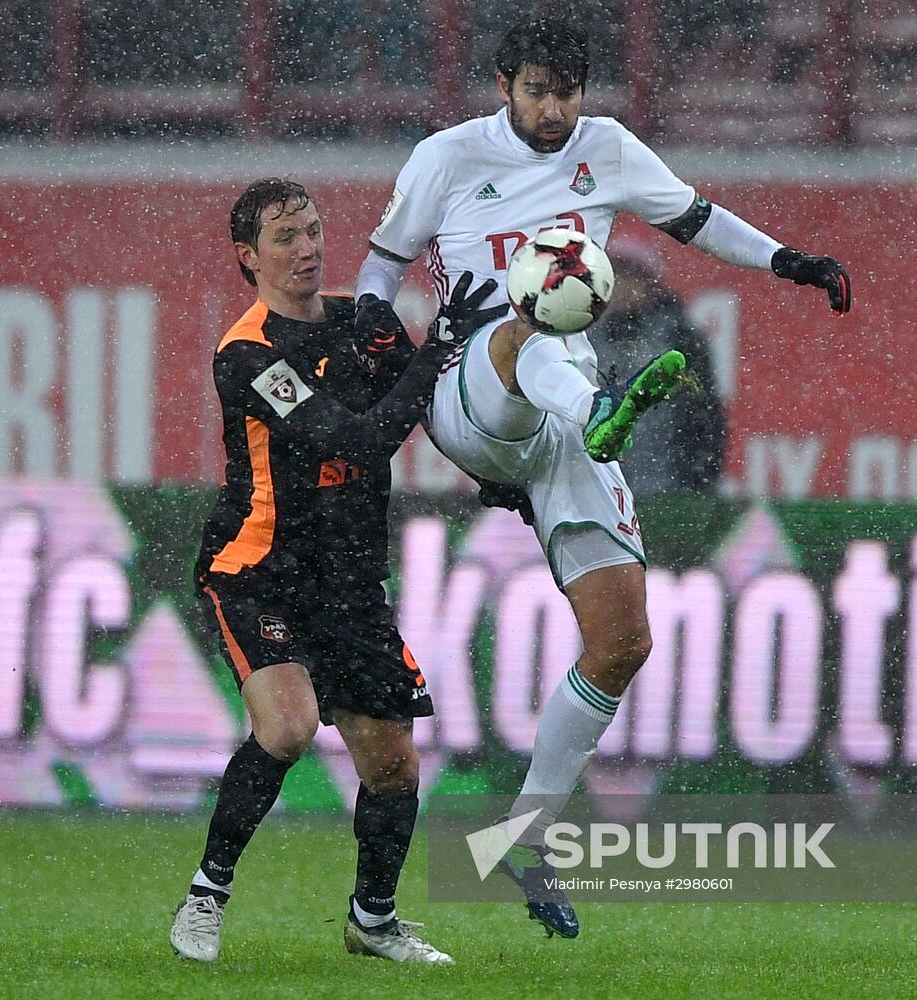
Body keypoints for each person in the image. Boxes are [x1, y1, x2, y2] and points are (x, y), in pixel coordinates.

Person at [354, 16, 850, 939]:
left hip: (566, 415)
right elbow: (378, 273)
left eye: (568, 92)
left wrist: (789, 260)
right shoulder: (447, 158)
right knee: (532, 319)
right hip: (471, 387)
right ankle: (600, 412)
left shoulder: (608, 150)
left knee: (622, 641)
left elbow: (695, 219)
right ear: (504, 84)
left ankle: (524, 836)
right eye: (537, 91)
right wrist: (381, 352)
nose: (554, 110)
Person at [169, 178, 500, 966]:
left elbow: (433, 408)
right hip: (259, 570)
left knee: (393, 763)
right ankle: (207, 894)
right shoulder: (246, 352)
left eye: (313, 230)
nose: (307, 247)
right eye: (285, 238)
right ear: (249, 257)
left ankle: (373, 921)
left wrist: (498, 464)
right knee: (284, 729)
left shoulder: (363, 323)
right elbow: (353, 441)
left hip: (349, 582)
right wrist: (435, 351)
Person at [586, 238, 726, 496]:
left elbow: (704, 415)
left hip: (666, 484)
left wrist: (698, 482)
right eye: (616, 278)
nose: (623, 288)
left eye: (632, 278)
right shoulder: (583, 334)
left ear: (649, 284)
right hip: (596, 483)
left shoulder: (680, 338)